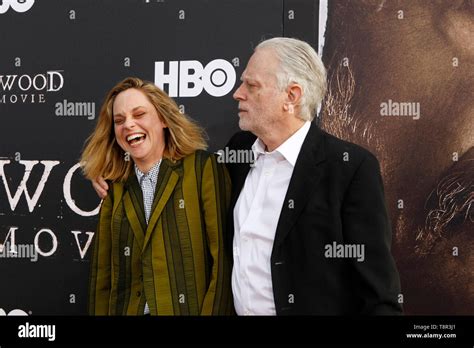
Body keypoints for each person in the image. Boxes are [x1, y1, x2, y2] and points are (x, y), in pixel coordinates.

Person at [93, 38, 402, 315]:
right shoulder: (237, 153)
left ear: (291, 96)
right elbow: (179, 177)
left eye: (251, 86)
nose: (236, 93)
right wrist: (119, 170)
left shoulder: (349, 168)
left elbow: (379, 294)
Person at [81, 77, 232, 315]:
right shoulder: (115, 185)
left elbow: (223, 263)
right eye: (119, 120)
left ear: (163, 119)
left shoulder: (202, 169)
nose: (128, 125)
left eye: (139, 114)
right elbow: (103, 276)